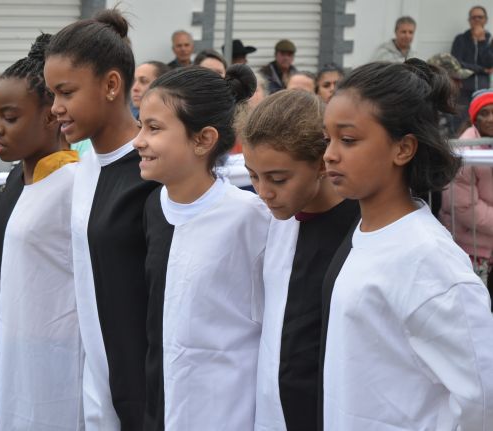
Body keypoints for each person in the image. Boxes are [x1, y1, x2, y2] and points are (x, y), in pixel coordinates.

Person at [322, 58, 493, 429]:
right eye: (327, 139)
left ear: (403, 149)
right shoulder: (366, 233)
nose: (330, 154)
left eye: (348, 140)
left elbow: (482, 396)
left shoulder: (430, 260)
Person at [44, 8, 160, 429]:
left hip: (146, 391)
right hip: (99, 387)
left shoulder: (153, 172)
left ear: (111, 85)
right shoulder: (88, 165)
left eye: (66, 93)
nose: (55, 108)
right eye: (52, 94)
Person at [136, 63, 268, 430]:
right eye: (140, 126)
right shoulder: (154, 207)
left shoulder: (251, 217)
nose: (138, 141)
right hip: (161, 406)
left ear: (203, 139)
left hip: (226, 413)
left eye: (154, 128)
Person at [242, 89, 359, 431]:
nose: (264, 192)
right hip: (273, 412)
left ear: (321, 164)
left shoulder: (360, 229)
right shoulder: (272, 223)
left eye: (278, 179)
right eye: (253, 176)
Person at [0, 33, 82, 430]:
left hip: (59, 357)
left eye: (10, 118)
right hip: (16, 346)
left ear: (50, 116)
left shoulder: (75, 183)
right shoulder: (16, 181)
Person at [440, 89, 493, 300]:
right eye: (484, 113)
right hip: (473, 248)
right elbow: (464, 207)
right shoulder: (465, 151)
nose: (491, 118)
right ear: (474, 119)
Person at [452, 5, 493, 123]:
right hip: (463, 90)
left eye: (480, 17)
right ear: (469, 20)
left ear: (486, 20)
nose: (477, 20)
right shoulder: (460, 39)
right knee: (460, 124)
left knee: (482, 124)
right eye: (473, 17)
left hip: (483, 90)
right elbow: (457, 63)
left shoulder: (490, 40)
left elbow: (489, 64)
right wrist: (482, 70)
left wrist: (482, 41)